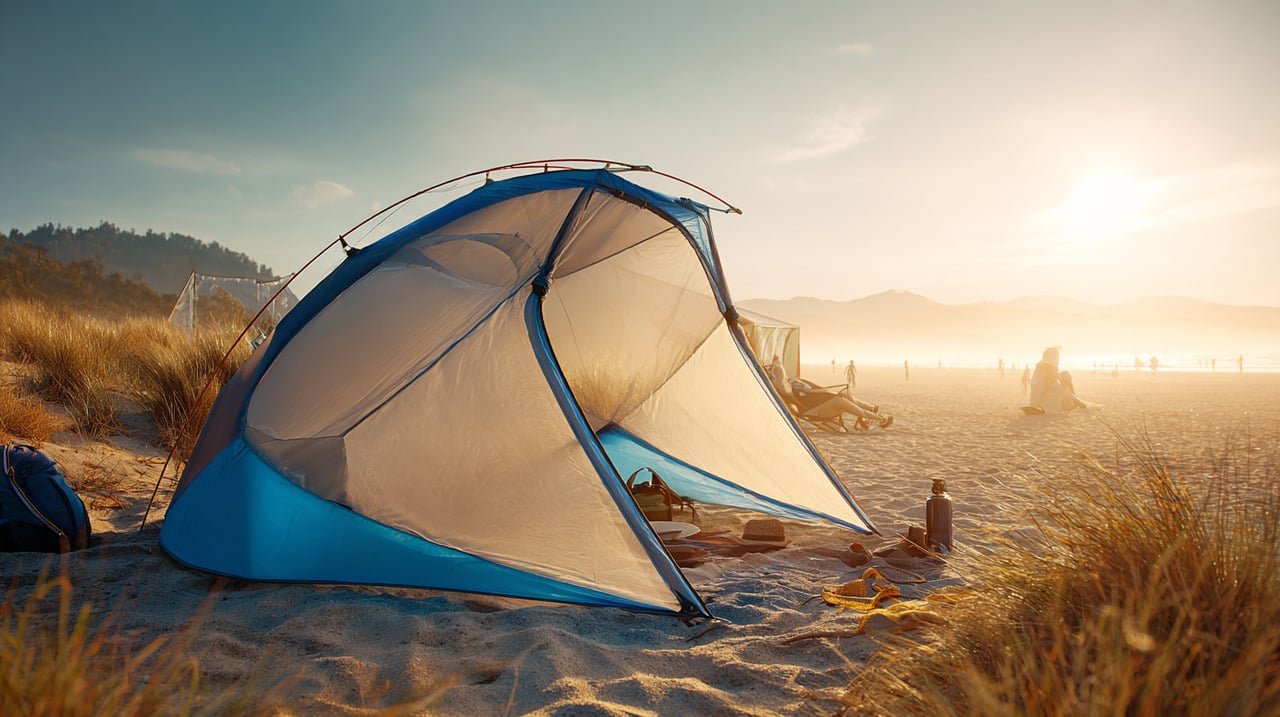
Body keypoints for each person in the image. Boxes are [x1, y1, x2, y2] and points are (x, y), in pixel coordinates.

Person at [767, 356, 893, 430]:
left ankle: (870, 411)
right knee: (840, 401)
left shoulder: (791, 383)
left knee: (842, 395)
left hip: (816, 405)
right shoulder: (786, 390)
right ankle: (877, 419)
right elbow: (793, 399)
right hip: (812, 411)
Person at [1028, 347, 1087, 414]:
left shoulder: (1041, 367)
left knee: (1066, 385)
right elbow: (1045, 385)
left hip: (1045, 396)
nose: (1058, 359)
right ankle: (1077, 401)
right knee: (1066, 390)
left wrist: (1034, 403)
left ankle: (1077, 401)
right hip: (1050, 396)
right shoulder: (1047, 367)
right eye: (1056, 357)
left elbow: (1039, 386)